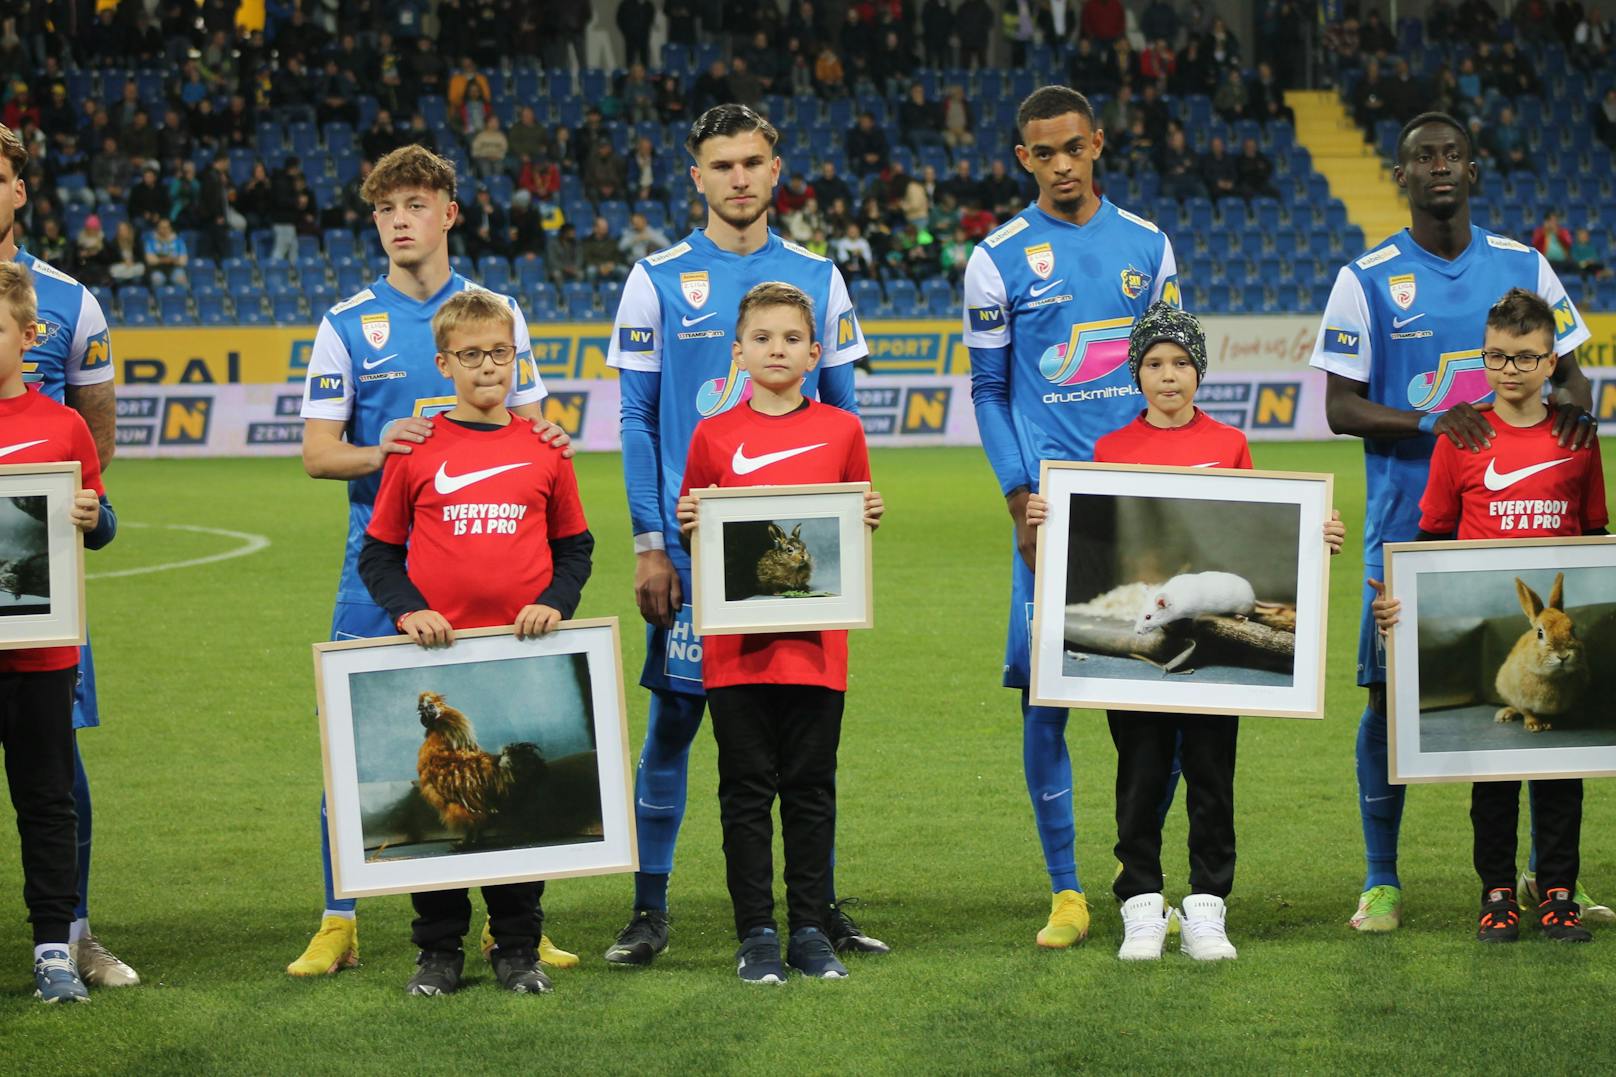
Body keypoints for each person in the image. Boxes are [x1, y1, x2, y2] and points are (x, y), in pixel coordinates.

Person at [1308, 112, 1601, 935]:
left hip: (1527, 514)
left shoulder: (1524, 265)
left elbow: (1575, 380)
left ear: (1473, 170)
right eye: (1421, 158)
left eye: (1451, 156)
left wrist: (1578, 417)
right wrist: (1430, 422)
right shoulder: (1363, 278)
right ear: (1400, 176)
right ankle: (1381, 879)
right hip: (1409, 526)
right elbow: (1338, 408)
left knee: (1549, 702)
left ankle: (1554, 882)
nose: (1438, 168)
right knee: (1385, 699)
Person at [604, 103, 878, 967]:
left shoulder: (820, 278)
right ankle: (651, 910)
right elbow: (639, 418)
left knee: (802, 738)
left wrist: (848, 521)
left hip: (797, 559)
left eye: (753, 161)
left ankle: (814, 908)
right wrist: (652, 540)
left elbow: (842, 411)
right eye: (722, 165)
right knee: (678, 720)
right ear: (697, 176)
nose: (739, 178)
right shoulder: (654, 278)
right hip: (695, 549)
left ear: (775, 167)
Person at [291, 144, 573, 977]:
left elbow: (537, 431)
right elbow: (316, 453)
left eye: (416, 204)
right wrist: (388, 452)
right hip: (379, 575)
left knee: (481, 747)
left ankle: (510, 925)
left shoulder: (495, 312)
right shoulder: (348, 323)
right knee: (351, 748)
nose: (400, 221)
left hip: (490, 567)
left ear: (450, 212)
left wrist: (552, 434)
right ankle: (339, 918)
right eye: (386, 209)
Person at [1025, 305, 1344, 960]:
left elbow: (1260, 504)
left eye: (1180, 363)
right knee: (1139, 774)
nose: (1168, 376)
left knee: (1210, 775)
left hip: (1212, 656)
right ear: (1136, 374)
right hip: (1148, 648)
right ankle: (1142, 904)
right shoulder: (1111, 450)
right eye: (1153, 364)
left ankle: (1206, 907)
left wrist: (1320, 536)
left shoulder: (1229, 444)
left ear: (1199, 371)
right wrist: (1046, 514)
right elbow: (1078, 515)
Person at [963, 85, 1180, 949]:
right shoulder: (998, 257)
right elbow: (986, 390)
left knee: (1154, 695)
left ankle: (1140, 881)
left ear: (1099, 144)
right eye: (1042, 154)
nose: (1060, 166)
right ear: (1024, 159)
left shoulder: (1148, 245)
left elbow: (1170, 369)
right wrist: (1020, 496)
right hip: (1052, 514)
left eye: (1073, 149)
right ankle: (1066, 890)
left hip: (1142, 505)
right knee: (1045, 703)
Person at [358, 290, 595, 995]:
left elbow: (576, 547)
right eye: (471, 354)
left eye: (499, 352)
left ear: (516, 359)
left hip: (520, 648)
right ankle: (438, 952)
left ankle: (517, 946)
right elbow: (378, 555)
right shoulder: (416, 450)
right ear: (444, 363)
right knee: (446, 808)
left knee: (512, 810)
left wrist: (554, 601)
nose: (487, 366)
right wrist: (408, 614)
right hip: (438, 653)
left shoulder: (544, 448)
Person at [1371, 288, 1604, 944]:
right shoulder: (1463, 437)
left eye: (1526, 357)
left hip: (1554, 638)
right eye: (1497, 357)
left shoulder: (1577, 439)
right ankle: (1497, 890)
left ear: (1551, 359)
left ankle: (1557, 890)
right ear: (1484, 356)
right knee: (1495, 776)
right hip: (1518, 640)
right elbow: (1433, 538)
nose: (1510, 370)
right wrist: (1399, 596)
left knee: (1560, 766)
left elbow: (1595, 534)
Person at [675, 282, 885, 983]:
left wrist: (865, 515)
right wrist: (691, 523)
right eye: (762, 338)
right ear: (738, 352)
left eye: (791, 338)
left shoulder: (841, 430)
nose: (777, 349)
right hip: (736, 653)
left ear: (815, 352)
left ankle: (811, 927)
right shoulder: (714, 435)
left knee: (809, 788)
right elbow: (698, 526)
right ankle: (756, 931)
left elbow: (847, 531)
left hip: (816, 650)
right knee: (743, 791)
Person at [0, 124, 130, 989]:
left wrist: (71, 513)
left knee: (53, 767)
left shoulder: (70, 300)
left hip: (33, 588)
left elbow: (95, 432)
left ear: (18, 189)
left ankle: (71, 934)